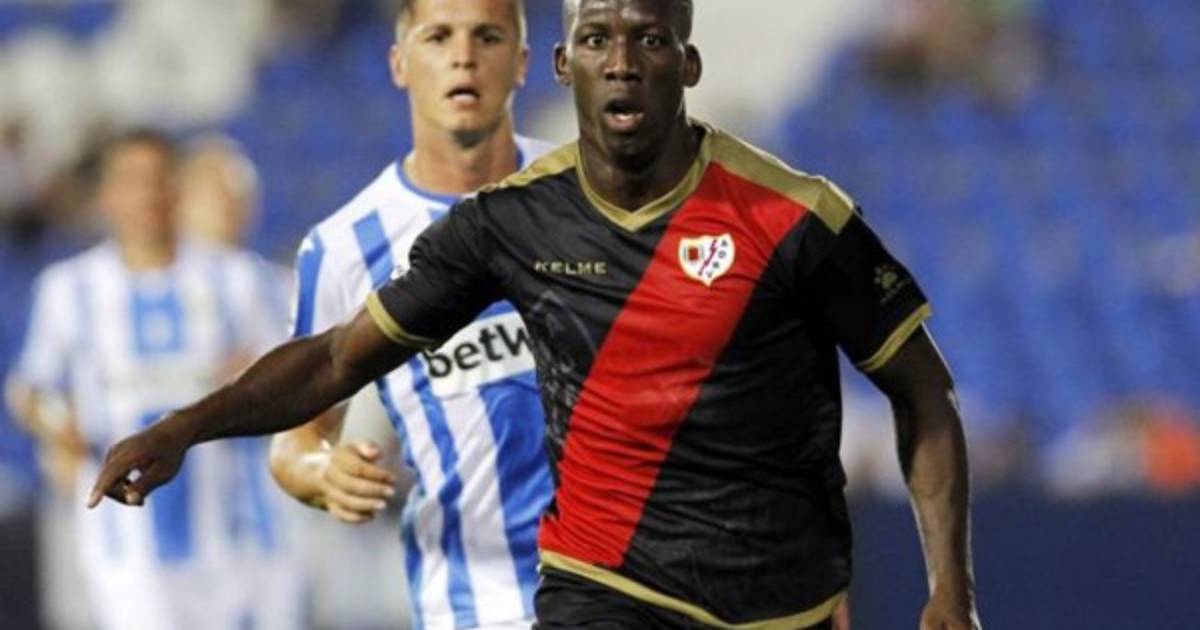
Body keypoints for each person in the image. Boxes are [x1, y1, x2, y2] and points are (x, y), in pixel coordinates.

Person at [89, 2, 982, 629]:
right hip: (593, 588)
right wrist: (183, 429)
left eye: (649, 39)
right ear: (564, 64)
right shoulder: (509, 222)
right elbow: (334, 360)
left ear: (688, 63)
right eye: (596, 39)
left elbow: (924, 393)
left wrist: (952, 589)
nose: (621, 62)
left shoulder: (794, 217)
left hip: (776, 600)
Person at [267, 0, 556, 627]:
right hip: (478, 607)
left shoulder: (590, 193)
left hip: (630, 590)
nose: (463, 57)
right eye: (438, 37)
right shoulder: (344, 248)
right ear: (400, 64)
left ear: (522, 62)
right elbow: (296, 439)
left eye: (487, 37)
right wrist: (324, 472)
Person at [8, 129, 306, 630]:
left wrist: (262, 375)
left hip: (243, 539)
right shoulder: (70, 289)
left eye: (159, 178)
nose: (147, 193)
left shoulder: (238, 279)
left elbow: (306, 373)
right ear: (106, 195)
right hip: (126, 547)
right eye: (132, 180)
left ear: (178, 189)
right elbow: (32, 389)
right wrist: (59, 426)